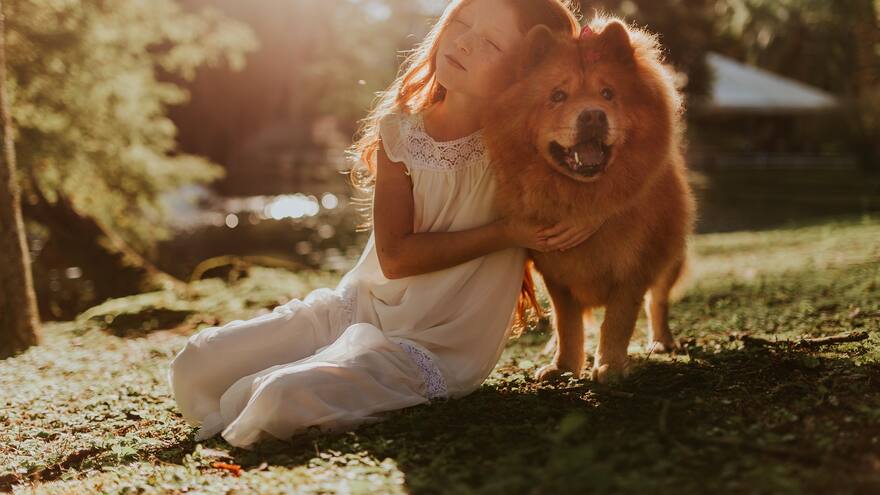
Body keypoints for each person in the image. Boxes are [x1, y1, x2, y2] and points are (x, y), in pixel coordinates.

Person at [168, 0, 592, 449]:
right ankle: (304, 362)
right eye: (461, 23)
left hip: (436, 343)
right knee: (197, 362)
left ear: (523, 70)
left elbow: (601, 179)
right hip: (361, 306)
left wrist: (586, 216)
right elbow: (395, 258)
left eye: (489, 41)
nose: (464, 42)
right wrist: (506, 234)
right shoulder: (401, 133)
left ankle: (300, 379)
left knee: (278, 398)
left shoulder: (527, 147)